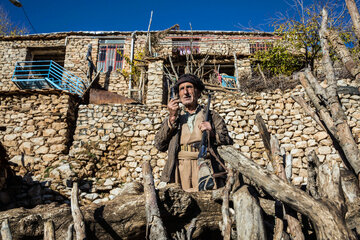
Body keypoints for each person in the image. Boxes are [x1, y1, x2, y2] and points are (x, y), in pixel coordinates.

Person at [154, 74, 233, 192]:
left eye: (189, 87)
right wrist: (171, 119)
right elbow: (159, 145)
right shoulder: (174, 117)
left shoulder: (212, 116)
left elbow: (227, 141)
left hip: (207, 166)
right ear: (179, 95)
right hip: (179, 170)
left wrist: (212, 133)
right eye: (182, 89)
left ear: (198, 92)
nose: (186, 92)